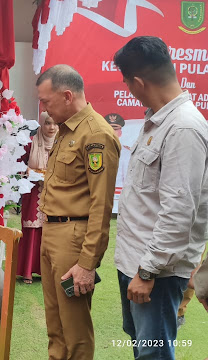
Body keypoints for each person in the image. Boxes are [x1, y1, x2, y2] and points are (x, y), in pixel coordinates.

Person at [113, 36, 208, 359]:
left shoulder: (183, 129)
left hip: (157, 273)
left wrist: (147, 272)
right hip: (137, 261)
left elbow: (179, 213)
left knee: (153, 353)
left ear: (137, 82)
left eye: (127, 83)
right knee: (143, 346)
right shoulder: (158, 121)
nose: (128, 89)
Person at [36, 64, 120, 359]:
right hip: (53, 232)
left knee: (75, 327)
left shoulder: (96, 135)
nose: (44, 109)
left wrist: (87, 263)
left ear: (67, 95)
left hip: (73, 239)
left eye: (46, 101)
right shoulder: (65, 128)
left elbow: (101, 205)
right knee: (55, 322)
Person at [17, 111, 58, 284]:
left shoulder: (61, 143)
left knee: (50, 230)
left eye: (55, 124)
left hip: (54, 193)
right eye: (48, 123)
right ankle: (26, 271)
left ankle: (45, 272)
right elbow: (18, 164)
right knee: (32, 228)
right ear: (41, 124)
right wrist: (27, 171)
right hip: (33, 191)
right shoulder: (31, 143)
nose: (52, 127)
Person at [103, 113, 130, 188]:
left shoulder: (126, 153)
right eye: (109, 129)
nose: (112, 132)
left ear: (120, 132)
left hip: (118, 196)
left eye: (115, 129)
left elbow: (127, 181)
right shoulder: (96, 150)